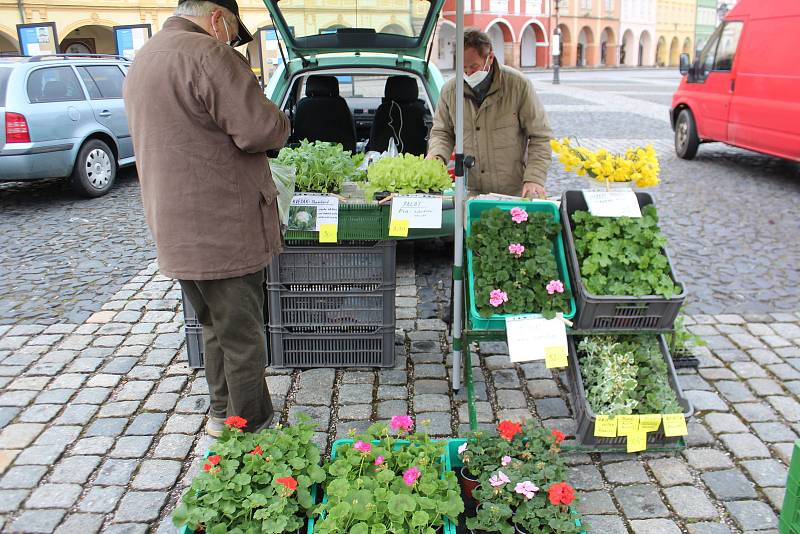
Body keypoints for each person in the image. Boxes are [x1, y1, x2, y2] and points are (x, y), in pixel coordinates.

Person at [123, 0, 290, 436]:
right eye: (233, 30)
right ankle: (252, 428)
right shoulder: (211, 55)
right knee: (242, 336)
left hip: (174, 225)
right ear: (218, 18)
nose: (231, 39)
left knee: (212, 327)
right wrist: (282, 121)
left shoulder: (145, 57)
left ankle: (221, 418)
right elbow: (260, 129)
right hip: (224, 225)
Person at [427, 29, 553, 199]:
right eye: (463, 68)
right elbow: (442, 131)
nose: (468, 73)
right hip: (470, 191)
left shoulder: (518, 85)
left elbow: (541, 136)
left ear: (490, 58)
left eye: (474, 67)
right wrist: (436, 156)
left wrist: (534, 178)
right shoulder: (450, 90)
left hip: (512, 191)